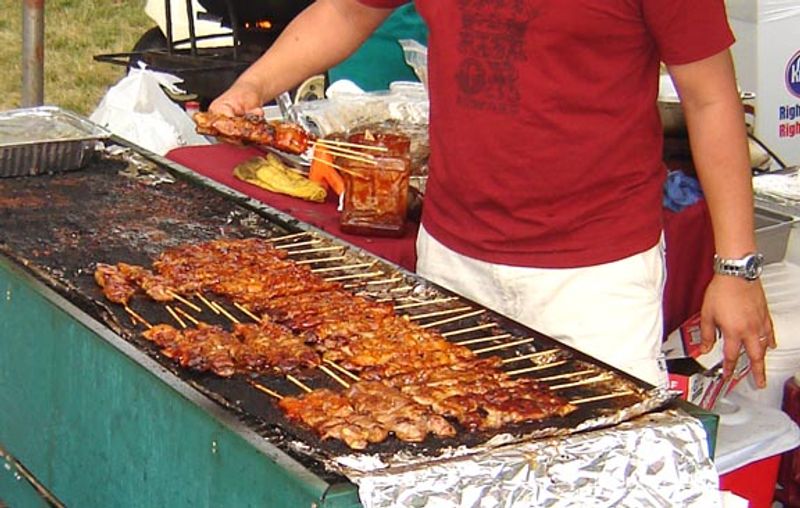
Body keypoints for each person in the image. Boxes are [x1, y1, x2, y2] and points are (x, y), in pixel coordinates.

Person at [209, 0, 775, 388]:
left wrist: (737, 267)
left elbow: (711, 100)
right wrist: (253, 86)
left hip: (594, 279)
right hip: (453, 260)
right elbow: (349, 9)